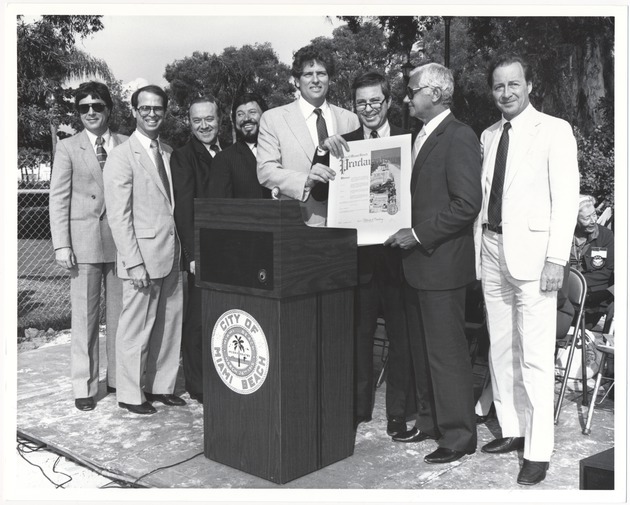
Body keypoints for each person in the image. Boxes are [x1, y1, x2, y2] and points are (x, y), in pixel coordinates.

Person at [473, 54, 579, 485]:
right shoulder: (489, 134)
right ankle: (513, 429)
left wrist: (557, 258)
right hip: (492, 249)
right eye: (499, 86)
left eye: (514, 84)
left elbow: (566, 199)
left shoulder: (554, 130)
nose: (506, 93)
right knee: (500, 347)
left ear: (529, 85)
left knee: (534, 357)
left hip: (535, 258)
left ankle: (538, 450)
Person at [384, 63, 481, 464]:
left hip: (440, 265)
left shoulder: (458, 135)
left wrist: (418, 234)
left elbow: (467, 205)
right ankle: (429, 423)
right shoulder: (415, 138)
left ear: (437, 93)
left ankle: (459, 436)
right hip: (415, 266)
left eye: (412, 90)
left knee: (446, 353)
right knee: (422, 351)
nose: (407, 98)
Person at [318, 71, 414, 436]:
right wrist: (322, 154)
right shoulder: (345, 145)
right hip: (358, 262)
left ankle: (397, 416)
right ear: (354, 106)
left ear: (388, 102)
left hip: (401, 258)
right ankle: (358, 409)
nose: (369, 108)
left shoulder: (410, 140)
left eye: (376, 101)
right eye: (362, 103)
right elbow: (325, 198)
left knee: (402, 340)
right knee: (357, 339)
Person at [103, 84, 185, 415]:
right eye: (145, 108)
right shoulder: (122, 155)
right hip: (142, 260)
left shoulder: (167, 153)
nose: (152, 114)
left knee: (168, 324)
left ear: (165, 112)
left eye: (158, 109)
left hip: (172, 254)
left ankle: (161, 387)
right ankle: (130, 393)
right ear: (134, 111)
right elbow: (118, 216)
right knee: (136, 328)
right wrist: (134, 263)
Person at [49, 81, 126, 411]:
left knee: (123, 319)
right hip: (83, 245)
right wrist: (61, 245)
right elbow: (58, 199)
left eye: (97, 106)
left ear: (109, 109)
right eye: (84, 107)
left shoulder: (125, 144)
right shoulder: (68, 147)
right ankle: (84, 386)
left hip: (123, 244)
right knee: (85, 318)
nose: (91, 112)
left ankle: (120, 381)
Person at [257, 43, 359, 225]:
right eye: (307, 74)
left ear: (329, 78)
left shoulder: (350, 119)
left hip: (347, 223)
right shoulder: (273, 119)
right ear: (296, 80)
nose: (315, 80)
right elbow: (266, 171)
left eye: (321, 73)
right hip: (299, 224)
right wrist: (306, 181)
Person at [170, 95, 222, 403]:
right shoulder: (183, 156)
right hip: (202, 251)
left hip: (229, 250)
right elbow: (184, 210)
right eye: (197, 120)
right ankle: (199, 386)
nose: (204, 125)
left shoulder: (228, 152)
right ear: (190, 123)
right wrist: (193, 255)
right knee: (197, 319)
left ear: (219, 120)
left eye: (209, 119)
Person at [208, 92, 271, 199]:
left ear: (264, 116)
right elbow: (220, 207)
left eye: (252, 112)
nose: (246, 118)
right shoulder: (223, 159)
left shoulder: (280, 150)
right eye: (240, 114)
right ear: (234, 120)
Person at [570, 195, 614, 328]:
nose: (593, 220)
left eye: (594, 215)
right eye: (586, 218)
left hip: (595, 299)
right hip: (566, 297)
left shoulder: (606, 235)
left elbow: (611, 270)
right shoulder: (564, 236)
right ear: (574, 219)